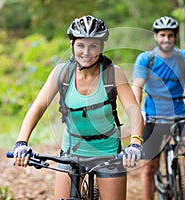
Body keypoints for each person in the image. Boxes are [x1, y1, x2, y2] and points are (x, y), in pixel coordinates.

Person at [12, 15, 144, 200]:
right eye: (81, 45)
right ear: (72, 44)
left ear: (102, 47)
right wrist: (21, 143)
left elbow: (134, 112)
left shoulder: (114, 74)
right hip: (71, 152)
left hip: (108, 153)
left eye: (93, 46)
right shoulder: (62, 72)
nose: (86, 52)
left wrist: (135, 143)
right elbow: (39, 106)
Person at [131, 16, 185, 200]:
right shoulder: (145, 59)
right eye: (162, 35)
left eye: (170, 35)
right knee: (148, 166)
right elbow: (137, 87)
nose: (166, 39)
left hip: (178, 117)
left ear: (175, 37)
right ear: (156, 37)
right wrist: (137, 111)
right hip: (153, 118)